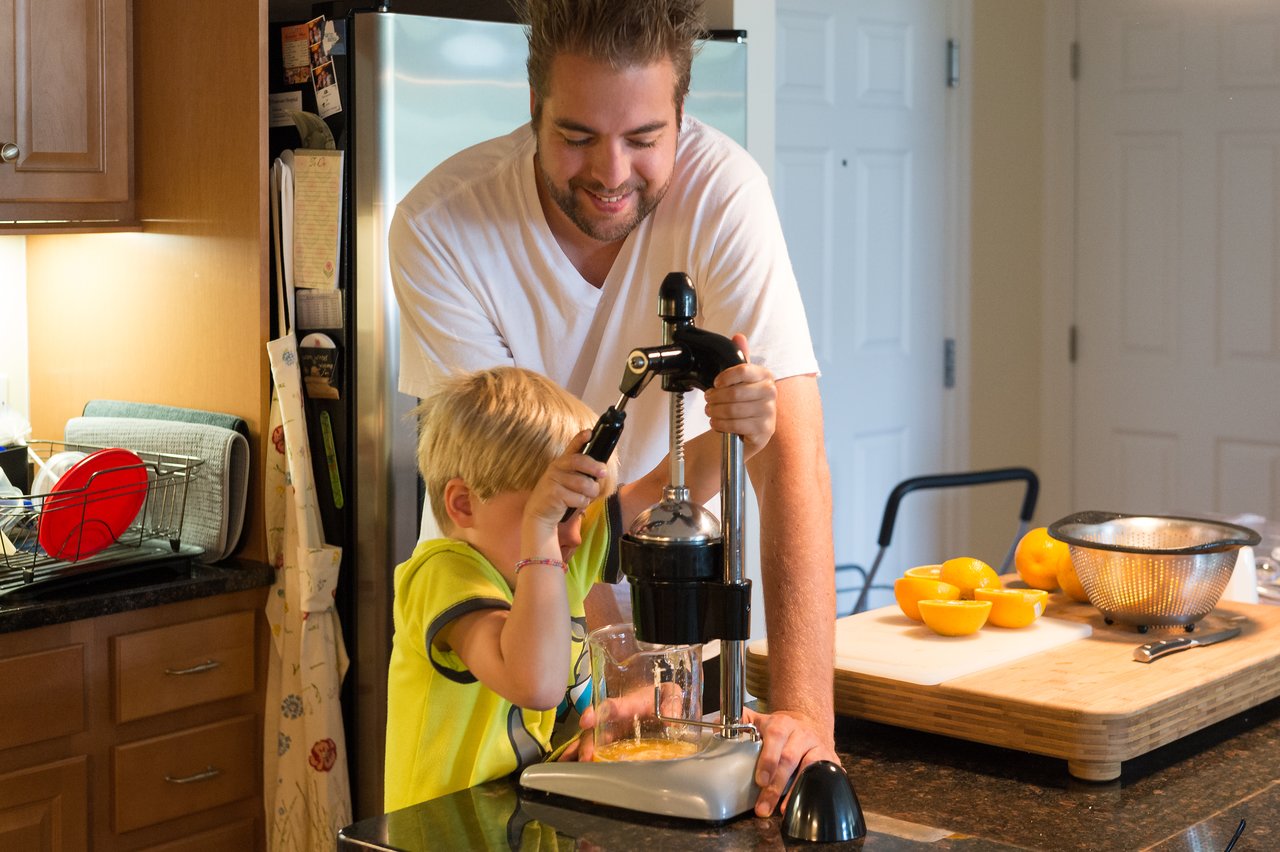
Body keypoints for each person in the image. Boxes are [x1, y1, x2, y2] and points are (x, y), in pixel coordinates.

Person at [388, 0, 837, 815]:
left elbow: (789, 464)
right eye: (576, 137)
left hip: (639, 635)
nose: (611, 173)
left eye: (642, 139)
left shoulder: (725, 194)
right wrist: (623, 674)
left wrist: (806, 721)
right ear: (533, 112)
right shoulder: (441, 226)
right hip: (504, 612)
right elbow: (535, 513)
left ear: (681, 118)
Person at [384, 360, 779, 810]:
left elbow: (661, 486)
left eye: (579, 512)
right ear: (463, 505)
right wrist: (540, 527)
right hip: (442, 833)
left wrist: (745, 431)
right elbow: (535, 684)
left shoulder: (559, 551)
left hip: (523, 823)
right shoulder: (442, 575)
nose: (574, 534)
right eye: (556, 512)